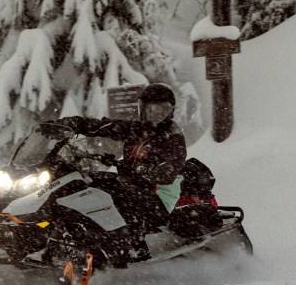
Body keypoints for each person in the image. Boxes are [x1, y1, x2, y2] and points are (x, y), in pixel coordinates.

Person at [58, 84, 218, 244]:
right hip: (134, 187)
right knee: (89, 181)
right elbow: (106, 126)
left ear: (170, 111)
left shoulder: (172, 138)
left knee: (114, 198)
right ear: (142, 109)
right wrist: (73, 123)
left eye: (161, 110)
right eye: (151, 109)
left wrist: (133, 169)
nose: (156, 115)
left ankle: (126, 247)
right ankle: (67, 231)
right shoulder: (138, 128)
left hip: (159, 196)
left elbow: (165, 174)